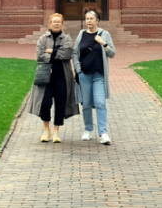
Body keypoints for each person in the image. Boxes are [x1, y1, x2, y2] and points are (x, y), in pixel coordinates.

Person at [26, 13, 79, 142]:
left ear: (62, 24)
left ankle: (56, 131)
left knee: (60, 104)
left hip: (62, 77)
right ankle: (46, 129)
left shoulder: (66, 38)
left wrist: (51, 51)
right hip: (46, 77)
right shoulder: (43, 39)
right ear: (50, 23)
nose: (56, 24)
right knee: (45, 103)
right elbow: (39, 55)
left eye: (58, 22)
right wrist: (56, 54)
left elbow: (67, 53)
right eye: (54, 22)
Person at [72, 9, 116, 144]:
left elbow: (112, 54)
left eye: (92, 19)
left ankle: (103, 133)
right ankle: (88, 130)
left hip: (99, 76)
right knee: (85, 104)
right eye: (87, 19)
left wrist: (104, 44)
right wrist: (78, 69)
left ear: (97, 20)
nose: (89, 21)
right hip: (84, 75)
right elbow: (75, 53)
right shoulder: (81, 34)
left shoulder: (105, 34)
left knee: (100, 103)